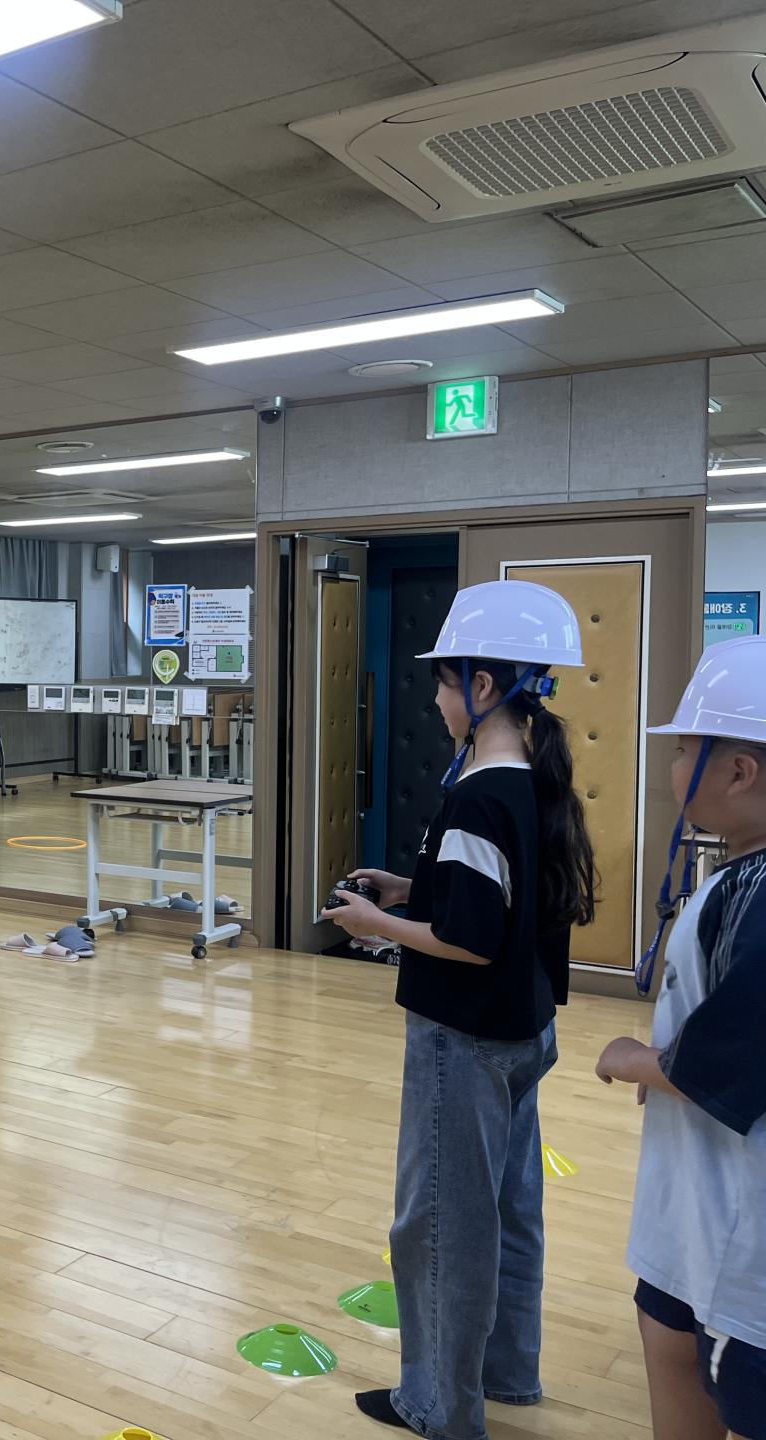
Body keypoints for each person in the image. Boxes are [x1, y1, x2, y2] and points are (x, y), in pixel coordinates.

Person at [324, 579, 597, 1440]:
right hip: (524, 1028)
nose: (436, 702)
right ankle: (509, 1372)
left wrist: (376, 924)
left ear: (482, 688)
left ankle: (440, 1407)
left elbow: (472, 942)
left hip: (465, 1037)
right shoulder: (529, 780)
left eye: (443, 685)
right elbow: (500, 901)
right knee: (510, 1212)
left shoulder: (479, 793)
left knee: (439, 1225)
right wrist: (411, 888)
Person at [595, 635, 766, 1440]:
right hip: (692, 1206)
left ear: (740, 772)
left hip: (736, 1230)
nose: (674, 766)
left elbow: (745, 1047)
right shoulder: (737, 876)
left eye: (686, 749)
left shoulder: (757, 892)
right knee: (669, 1340)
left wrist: (639, 1060)